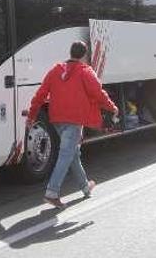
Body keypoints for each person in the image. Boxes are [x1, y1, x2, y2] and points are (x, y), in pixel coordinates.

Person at [27, 40, 118, 208]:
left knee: (73, 153)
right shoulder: (85, 71)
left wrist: (32, 116)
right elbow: (98, 93)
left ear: (70, 53)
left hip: (57, 120)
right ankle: (52, 192)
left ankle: (85, 187)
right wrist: (112, 107)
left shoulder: (55, 70)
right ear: (84, 55)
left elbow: (40, 94)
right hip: (74, 120)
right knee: (66, 154)